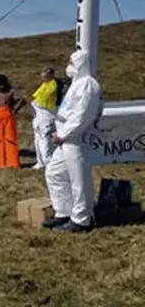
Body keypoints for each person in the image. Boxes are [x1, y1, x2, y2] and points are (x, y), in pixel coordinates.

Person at [43, 51, 103, 233]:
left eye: (72, 62)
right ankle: (63, 211)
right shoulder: (76, 84)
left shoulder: (87, 85)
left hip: (75, 139)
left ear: (80, 63)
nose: (69, 65)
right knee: (55, 173)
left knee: (79, 179)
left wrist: (65, 134)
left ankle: (82, 219)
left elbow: (81, 116)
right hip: (65, 138)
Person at [31, 68, 61, 170]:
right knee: (37, 140)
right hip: (39, 117)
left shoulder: (54, 85)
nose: (43, 78)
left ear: (51, 75)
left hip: (47, 116)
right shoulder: (45, 84)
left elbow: (45, 100)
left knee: (45, 141)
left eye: (45, 76)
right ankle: (40, 162)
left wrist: (36, 103)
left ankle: (48, 163)